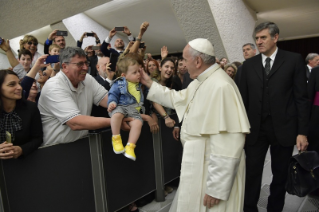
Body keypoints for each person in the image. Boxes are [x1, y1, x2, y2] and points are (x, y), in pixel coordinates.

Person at [140, 38, 250, 211]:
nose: (181, 64)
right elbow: (178, 98)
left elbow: (229, 142)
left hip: (211, 172)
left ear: (198, 61)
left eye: (184, 59)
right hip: (197, 163)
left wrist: (216, 188)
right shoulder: (201, 80)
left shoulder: (221, 86)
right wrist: (148, 83)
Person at [239, 22, 309, 212]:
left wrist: (302, 132)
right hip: (255, 130)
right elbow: (242, 101)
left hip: (284, 129)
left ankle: (274, 209)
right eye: (257, 38)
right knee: (252, 174)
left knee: (280, 175)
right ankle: (249, 208)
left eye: (263, 38)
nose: (259, 42)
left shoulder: (293, 60)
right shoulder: (248, 66)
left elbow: (301, 99)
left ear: (275, 37)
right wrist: (241, 130)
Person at [38, 47, 130, 147]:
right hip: (55, 150)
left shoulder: (87, 79)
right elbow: (75, 123)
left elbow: (109, 100)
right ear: (64, 67)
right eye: (80, 64)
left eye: (86, 63)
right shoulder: (54, 86)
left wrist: (133, 113)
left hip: (82, 144)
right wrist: (115, 121)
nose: (86, 68)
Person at [0, 70, 43, 159]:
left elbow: (38, 138)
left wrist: (22, 149)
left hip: (24, 164)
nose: (19, 87)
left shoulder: (31, 108)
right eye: (12, 84)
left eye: (19, 83)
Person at [107, 57, 144, 161]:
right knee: (117, 115)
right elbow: (112, 94)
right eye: (134, 72)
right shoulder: (119, 83)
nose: (138, 74)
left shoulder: (139, 84)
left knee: (138, 123)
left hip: (133, 110)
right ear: (124, 75)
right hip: (120, 106)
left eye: (138, 71)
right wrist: (112, 103)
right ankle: (116, 138)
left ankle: (130, 146)